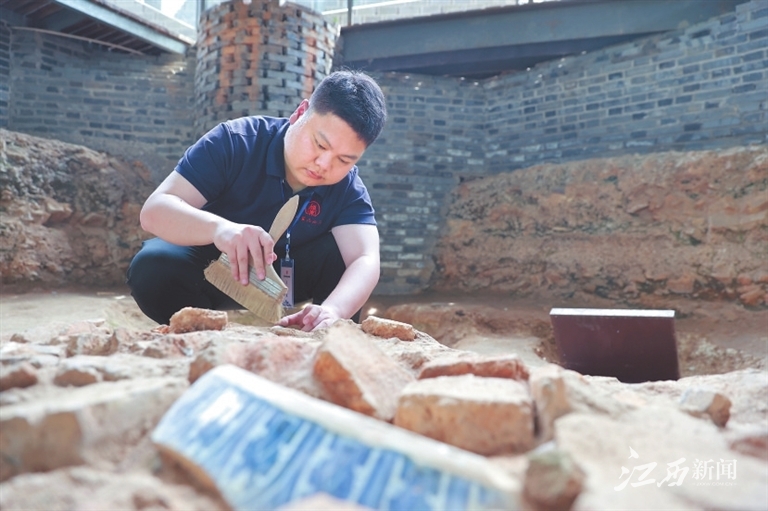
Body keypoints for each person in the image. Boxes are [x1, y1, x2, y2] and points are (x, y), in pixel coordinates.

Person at [126, 70, 387, 331]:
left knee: (344, 258)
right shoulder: (235, 141)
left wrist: (334, 309)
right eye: (319, 144)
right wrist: (220, 229)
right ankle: (201, 333)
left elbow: (365, 258)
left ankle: (323, 332)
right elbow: (155, 210)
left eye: (344, 160)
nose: (324, 164)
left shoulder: (348, 187)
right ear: (300, 113)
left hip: (284, 280)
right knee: (153, 266)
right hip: (214, 266)